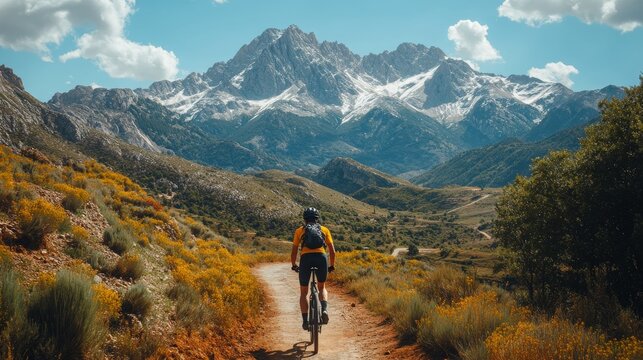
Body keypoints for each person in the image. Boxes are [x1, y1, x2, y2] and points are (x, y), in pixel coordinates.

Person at [291, 207, 336, 331]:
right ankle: (325, 310)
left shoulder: (299, 231)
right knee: (322, 287)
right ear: (317, 218)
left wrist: (294, 264)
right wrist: (332, 265)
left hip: (306, 259)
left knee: (304, 292)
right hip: (321, 258)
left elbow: (294, 250)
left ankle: (305, 321)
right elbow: (332, 251)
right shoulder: (324, 230)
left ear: (304, 219)